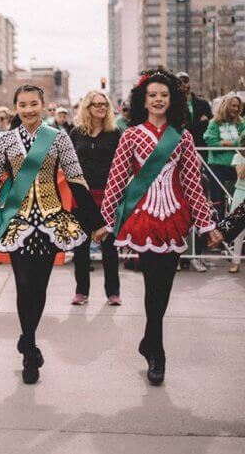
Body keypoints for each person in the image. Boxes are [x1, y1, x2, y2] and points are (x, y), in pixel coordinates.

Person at [0, 84, 106, 385]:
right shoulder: (4, 140)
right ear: (15, 107)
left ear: (43, 106)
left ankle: (27, 339)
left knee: (39, 287)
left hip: (50, 221)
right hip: (16, 221)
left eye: (34, 104)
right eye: (22, 104)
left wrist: (95, 222)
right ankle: (30, 348)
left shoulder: (58, 139)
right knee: (23, 284)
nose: (28, 109)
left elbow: (77, 180)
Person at [101, 68, 216, 386]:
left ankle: (149, 341)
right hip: (145, 215)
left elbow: (193, 184)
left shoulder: (183, 137)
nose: (158, 100)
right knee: (153, 284)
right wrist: (106, 220)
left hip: (174, 216)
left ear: (172, 99)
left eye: (164, 95)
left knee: (164, 285)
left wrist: (206, 224)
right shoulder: (131, 135)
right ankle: (157, 352)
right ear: (143, 99)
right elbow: (116, 179)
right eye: (152, 95)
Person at [69, 91, 122, 306]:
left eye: (104, 104)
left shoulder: (115, 132)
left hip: (107, 195)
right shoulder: (75, 133)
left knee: (109, 248)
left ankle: (113, 292)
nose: (101, 107)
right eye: (96, 104)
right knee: (80, 247)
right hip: (81, 197)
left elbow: (122, 163)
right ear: (87, 107)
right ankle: (82, 291)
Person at [203, 93, 245, 221]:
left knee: (237, 202)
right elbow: (211, 142)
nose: (236, 109)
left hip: (236, 168)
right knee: (219, 201)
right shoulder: (214, 123)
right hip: (218, 167)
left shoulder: (241, 123)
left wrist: (226, 143)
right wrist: (233, 144)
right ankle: (218, 230)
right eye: (233, 106)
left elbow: (243, 141)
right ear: (226, 106)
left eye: (238, 106)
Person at [177, 72, 213, 160]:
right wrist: (200, 123)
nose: (183, 85)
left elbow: (210, 124)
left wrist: (190, 125)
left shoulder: (203, 104)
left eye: (185, 81)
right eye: (179, 82)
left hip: (202, 145)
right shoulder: (174, 105)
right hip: (183, 146)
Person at [224, 132, 245, 273]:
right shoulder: (238, 156)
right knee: (238, 230)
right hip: (241, 192)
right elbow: (241, 175)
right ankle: (236, 261)